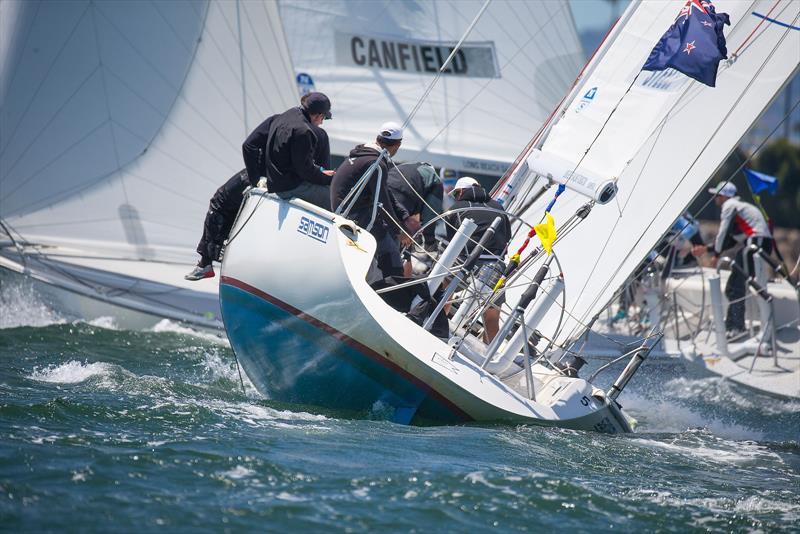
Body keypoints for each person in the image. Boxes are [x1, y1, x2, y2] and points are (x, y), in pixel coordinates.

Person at [330, 122, 418, 279]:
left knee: (389, 232)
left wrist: (403, 217)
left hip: (342, 209)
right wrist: (399, 232)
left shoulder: (361, 154)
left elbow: (386, 193)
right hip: (352, 216)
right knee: (390, 247)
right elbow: (382, 203)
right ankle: (393, 293)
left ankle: (378, 279)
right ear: (398, 144)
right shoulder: (376, 164)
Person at [693, 181, 773, 338]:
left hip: (755, 243)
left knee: (735, 285)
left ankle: (735, 327)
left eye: (716, 195)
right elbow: (732, 240)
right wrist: (708, 249)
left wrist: (716, 253)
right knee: (735, 284)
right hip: (761, 242)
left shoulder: (729, 205)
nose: (715, 198)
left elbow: (723, 234)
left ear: (723, 196)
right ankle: (734, 325)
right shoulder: (741, 207)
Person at [443, 177, 511, 342]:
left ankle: (436, 327)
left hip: (466, 260)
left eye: (456, 194)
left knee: (444, 290)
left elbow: (453, 243)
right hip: (495, 263)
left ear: (460, 192)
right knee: (492, 312)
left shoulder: (456, 208)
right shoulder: (499, 208)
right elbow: (507, 236)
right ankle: (489, 351)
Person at [264, 92, 335, 207]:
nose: (322, 122)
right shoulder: (303, 131)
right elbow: (305, 171)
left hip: (275, 182)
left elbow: (297, 163)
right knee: (337, 200)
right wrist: (328, 179)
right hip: (289, 188)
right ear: (318, 115)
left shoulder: (285, 116)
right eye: (323, 118)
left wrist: (319, 171)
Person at [387, 162, 444, 249]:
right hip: (404, 198)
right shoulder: (435, 180)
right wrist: (430, 241)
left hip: (385, 189)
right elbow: (431, 213)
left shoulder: (406, 166)